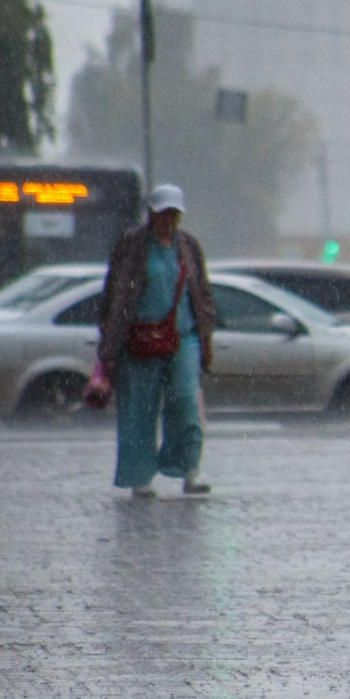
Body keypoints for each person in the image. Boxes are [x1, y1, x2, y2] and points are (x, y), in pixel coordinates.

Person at [96, 185, 217, 499]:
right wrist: (109, 343)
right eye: (162, 213)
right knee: (138, 408)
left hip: (183, 337)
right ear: (151, 212)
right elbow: (116, 292)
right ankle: (140, 476)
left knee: (187, 403)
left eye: (173, 214)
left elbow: (201, 292)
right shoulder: (132, 245)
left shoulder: (188, 246)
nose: (167, 219)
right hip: (139, 338)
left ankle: (189, 469)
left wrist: (206, 339)